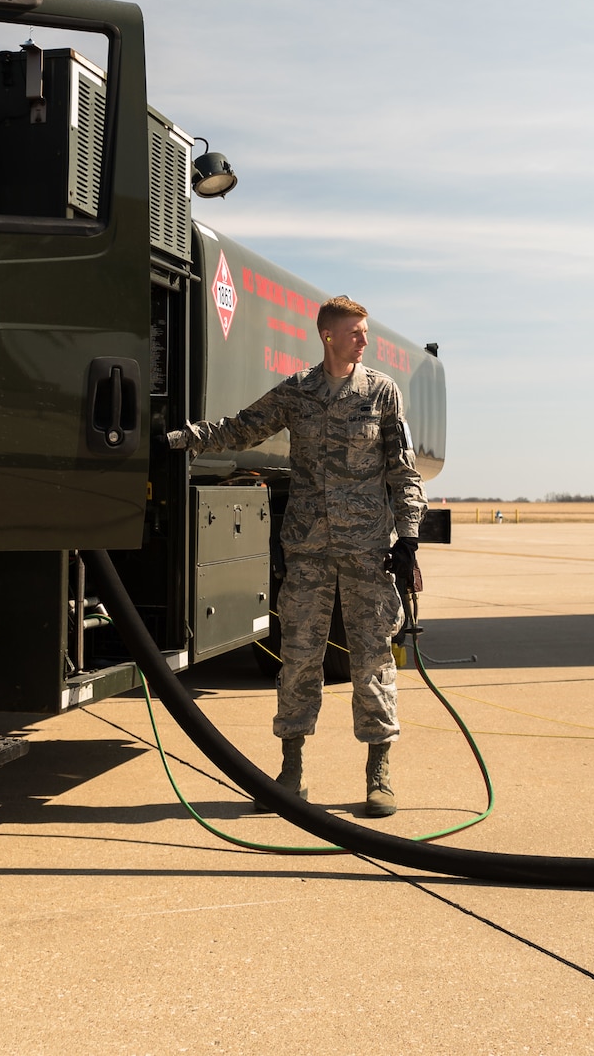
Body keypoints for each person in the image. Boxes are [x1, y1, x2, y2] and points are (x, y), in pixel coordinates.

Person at [164, 295, 424, 817]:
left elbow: (403, 469)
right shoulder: (298, 393)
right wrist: (176, 439)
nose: (364, 340)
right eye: (356, 331)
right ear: (328, 335)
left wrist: (409, 537)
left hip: (367, 552)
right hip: (307, 551)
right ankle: (291, 769)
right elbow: (241, 427)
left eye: (364, 332)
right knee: (299, 660)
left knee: (373, 661)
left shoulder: (381, 393)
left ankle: (379, 772)